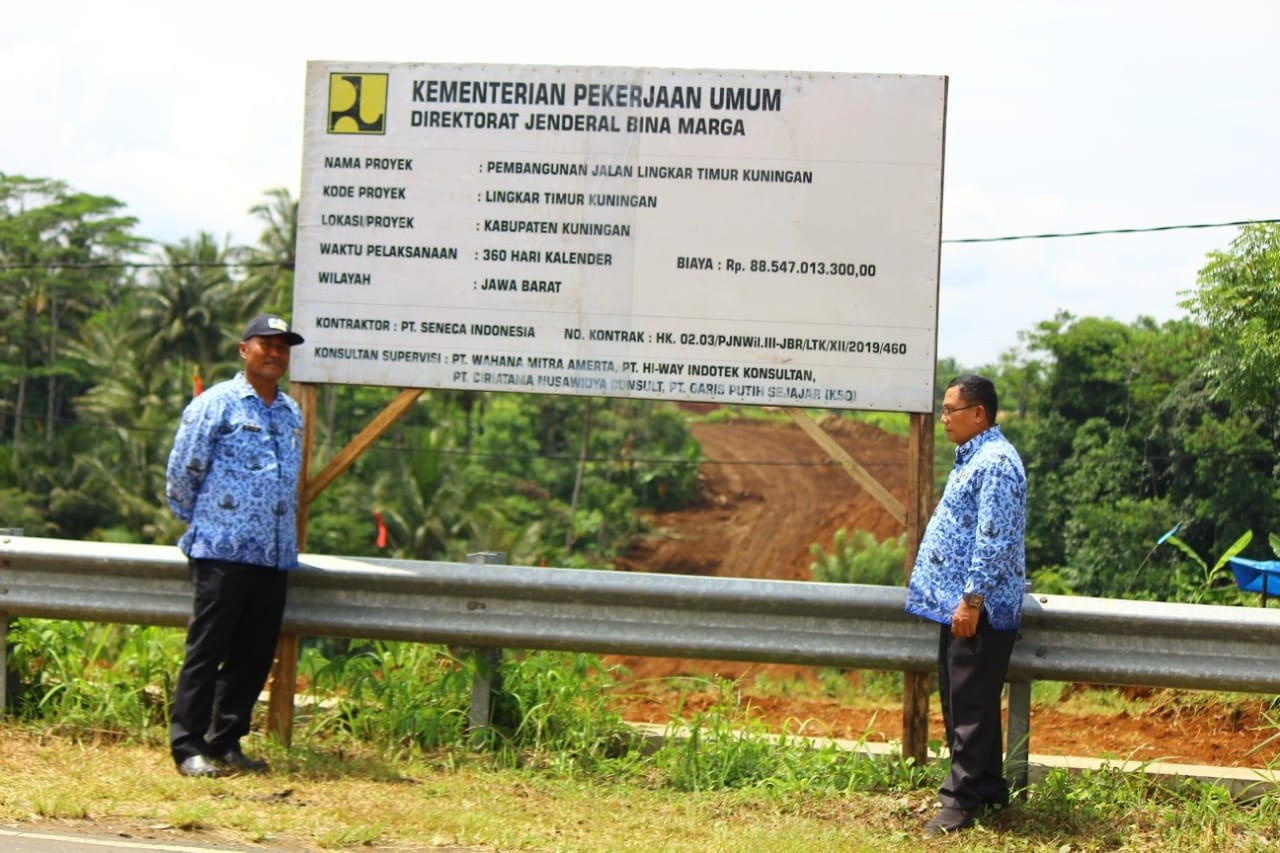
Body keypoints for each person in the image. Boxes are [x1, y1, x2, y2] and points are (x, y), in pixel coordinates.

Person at [165, 313, 306, 778]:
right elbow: (183, 471)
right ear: (244, 350)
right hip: (222, 552)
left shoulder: (290, 412)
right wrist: (208, 522)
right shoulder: (218, 403)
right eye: (265, 344)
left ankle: (226, 741)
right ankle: (187, 747)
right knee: (207, 650)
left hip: (273, 554)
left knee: (253, 654)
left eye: (282, 347)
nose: (275, 353)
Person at [905, 374, 1027, 836]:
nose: (943, 419)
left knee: (969, 709)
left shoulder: (994, 462)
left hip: (979, 609)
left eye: (950, 410)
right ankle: (990, 791)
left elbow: (993, 540)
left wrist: (972, 600)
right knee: (964, 702)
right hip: (962, 606)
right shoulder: (977, 457)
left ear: (978, 413)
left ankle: (958, 803)